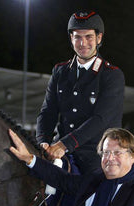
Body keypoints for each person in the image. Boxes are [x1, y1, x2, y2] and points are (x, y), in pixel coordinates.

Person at [36, 10, 125, 174]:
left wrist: (65, 144)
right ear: (71, 39)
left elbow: (100, 119)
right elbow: (48, 111)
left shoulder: (112, 75)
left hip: (96, 154)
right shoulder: (60, 71)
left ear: (99, 38)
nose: (83, 43)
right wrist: (43, 141)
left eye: (88, 37)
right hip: (60, 151)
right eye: (77, 37)